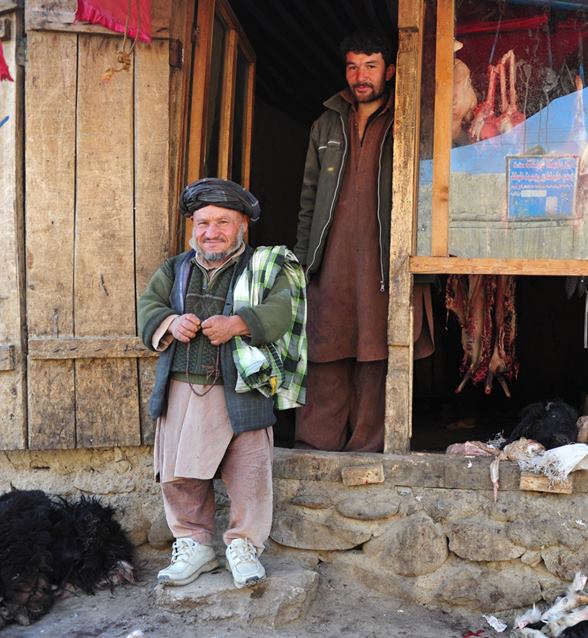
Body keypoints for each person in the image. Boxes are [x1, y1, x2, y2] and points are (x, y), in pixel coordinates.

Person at [138, 178, 305, 589]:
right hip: (183, 388)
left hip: (242, 390)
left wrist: (240, 323)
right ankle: (194, 545)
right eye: (202, 223)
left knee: (249, 474)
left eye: (222, 222)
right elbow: (148, 308)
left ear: (243, 225)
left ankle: (244, 546)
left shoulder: (264, 268)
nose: (210, 232)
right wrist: (171, 322)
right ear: (193, 227)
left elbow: (282, 310)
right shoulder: (175, 269)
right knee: (180, 474)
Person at [294, 32, 433, 452]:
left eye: (370, 66)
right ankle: (316, 445)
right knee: (324, 348)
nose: (361, 76)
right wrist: (302, 261)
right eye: (353, 66)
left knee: (377, 353)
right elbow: (308, 197)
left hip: (381, 261)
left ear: (389, 70)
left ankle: (368, 448)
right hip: (330, 258)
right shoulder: (326, 123)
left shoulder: (406, 120)